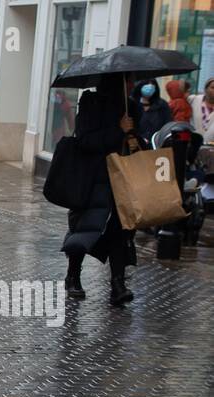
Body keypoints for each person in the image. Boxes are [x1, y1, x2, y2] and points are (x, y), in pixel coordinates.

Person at [62, 79, 143, 306]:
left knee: (121, 230)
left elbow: (137, 140)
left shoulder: (132, 107)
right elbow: (85, 140)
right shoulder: (91, 103)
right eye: (126, 79)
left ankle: (118, 284)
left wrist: (133, 136)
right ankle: (73, 276)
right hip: (93, 178)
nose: (130, 84)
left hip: (123, 179)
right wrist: (118, 130)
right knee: (85, 227)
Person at [133, 80, 171, 145]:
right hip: (137, 145)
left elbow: (168, 124)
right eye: (147, 85)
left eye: (152, 86)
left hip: (157, 144)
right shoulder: (133, 104)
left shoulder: (162, 105)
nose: (149, 89)